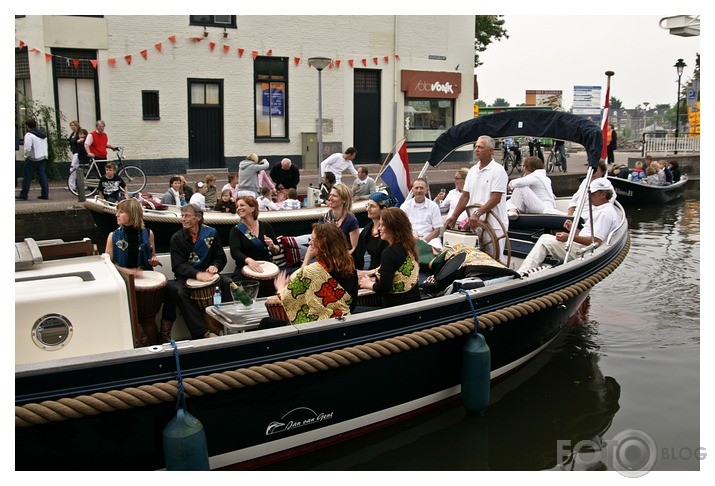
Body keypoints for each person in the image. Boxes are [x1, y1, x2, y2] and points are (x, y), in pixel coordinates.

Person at [105, 198, 176, 345]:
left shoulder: (148, 233)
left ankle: (165, 332)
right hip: (124, 281)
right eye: (117, 211)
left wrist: (154, 261)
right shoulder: (113, 236)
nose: (116, 215)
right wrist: (128, 272)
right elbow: (108, 264)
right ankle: (145, 341)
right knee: (144, 320)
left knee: (172, 290)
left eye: (121, 212)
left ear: (132, 214)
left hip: (145, 277)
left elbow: (153, 257)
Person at [517, 177, 619, 275]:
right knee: (545, 238)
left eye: (592, 194)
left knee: (544, 241)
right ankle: (531, 270)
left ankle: (522, 272)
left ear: (603, 194)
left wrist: (569, 237)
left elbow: (595, 241)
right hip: (583, 247)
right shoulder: (601, 209)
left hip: (584, 251)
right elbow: (590, 236)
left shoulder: (605, 213)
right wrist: (572, 230)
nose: (589, 197)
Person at [273, 223, 358, 324]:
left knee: (268, 322)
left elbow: (287, 299)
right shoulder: (351, 269)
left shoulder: (311, 271)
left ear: (324, 245)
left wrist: (280, 287)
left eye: (313, 240)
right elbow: (352, 305)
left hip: (316, 328)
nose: (310, 244)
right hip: (344, 323)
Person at [169, 203, 229, 339]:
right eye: (182, 216)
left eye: (187, 216)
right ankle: (202, 333)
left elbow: (220, 257)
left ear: (198, 217)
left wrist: (215, 266)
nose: (183, 219)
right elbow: (178, 266)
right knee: (179, 293)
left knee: (228, 282)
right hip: (186, 276)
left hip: (209, 273)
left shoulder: (211, 233)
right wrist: (197, 274)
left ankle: (228, 325)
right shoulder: (177, 238)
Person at [445, 135, 509, 260]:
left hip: (494, 225)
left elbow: (496, 198)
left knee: (495, 259)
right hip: (475, 223)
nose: (476, 149)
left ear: (490, 151)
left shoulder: (498, 171)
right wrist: (454, 215)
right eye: (476, 146)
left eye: (481, 147)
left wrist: (477, 213)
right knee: (475, 259)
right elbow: (465, 196)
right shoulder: (472, 171)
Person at [358, 207, 421, 308]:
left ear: (393, 228)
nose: (379, 228)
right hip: (415, 304)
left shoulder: (389, 252)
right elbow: (396, 270)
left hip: (396, 309)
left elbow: (384, 287)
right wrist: (368, 273)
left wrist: (368, 283)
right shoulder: (408, 245)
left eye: (382, 225)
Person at [229, 195, 280, 296]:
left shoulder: (266, 226)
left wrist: (272, 246)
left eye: (242, 205)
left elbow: (277, 250)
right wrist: (249, 261)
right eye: (237, 206)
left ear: (252, 208)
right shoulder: (235, 231)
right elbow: (235, 252)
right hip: (244, 267)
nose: (238, 208)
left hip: (266, 267)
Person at [303, 183, 360, 267]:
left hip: (343, 264)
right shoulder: (324, 218)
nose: (330, 198)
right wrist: (305, 264)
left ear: (344, 200)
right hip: (325, 262)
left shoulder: (351, 220)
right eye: (330, 195)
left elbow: (354, 248)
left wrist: (337, 262)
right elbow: (313, 244)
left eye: (334, 196)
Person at [353, 192, 397, 271]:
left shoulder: (391, 232)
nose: (367, 209)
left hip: (388, 272)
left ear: (383, 209)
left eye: (372, 206)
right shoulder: (367, 231)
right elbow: (358, 255)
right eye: (367, 205)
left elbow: (393, 262)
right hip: (372, 270)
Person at [400, 178, 444, 248]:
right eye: (416, 188)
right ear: (412, 190)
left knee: (438, 250)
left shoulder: (433, 206)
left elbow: (437, 230)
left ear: (427, 190)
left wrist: (424, 242)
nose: (419, 190)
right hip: (410, 238)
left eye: (421, 188)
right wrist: (411, 236)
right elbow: (401, 227)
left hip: (430, 239)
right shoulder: (405, 206)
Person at [17, 119, 49, 200]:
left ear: (27, 126)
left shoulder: (29, 135)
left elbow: (27, 148)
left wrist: (26, 156)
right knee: (42, 176)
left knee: (27, 176)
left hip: (33, 158)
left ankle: (24, 194)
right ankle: (45, 194)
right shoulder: (42, 134)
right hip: (43, 157)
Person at [67, 120, 83, 192]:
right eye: (71, 125)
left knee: (73, 168)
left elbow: (83, 139)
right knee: (77, 169)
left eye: (73, 125)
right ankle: (79, 184)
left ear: (76, 125)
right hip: (74, 153)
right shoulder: (73, 133)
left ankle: (71, 185)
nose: (72, 127)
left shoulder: (80, 133)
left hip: (78, 153)